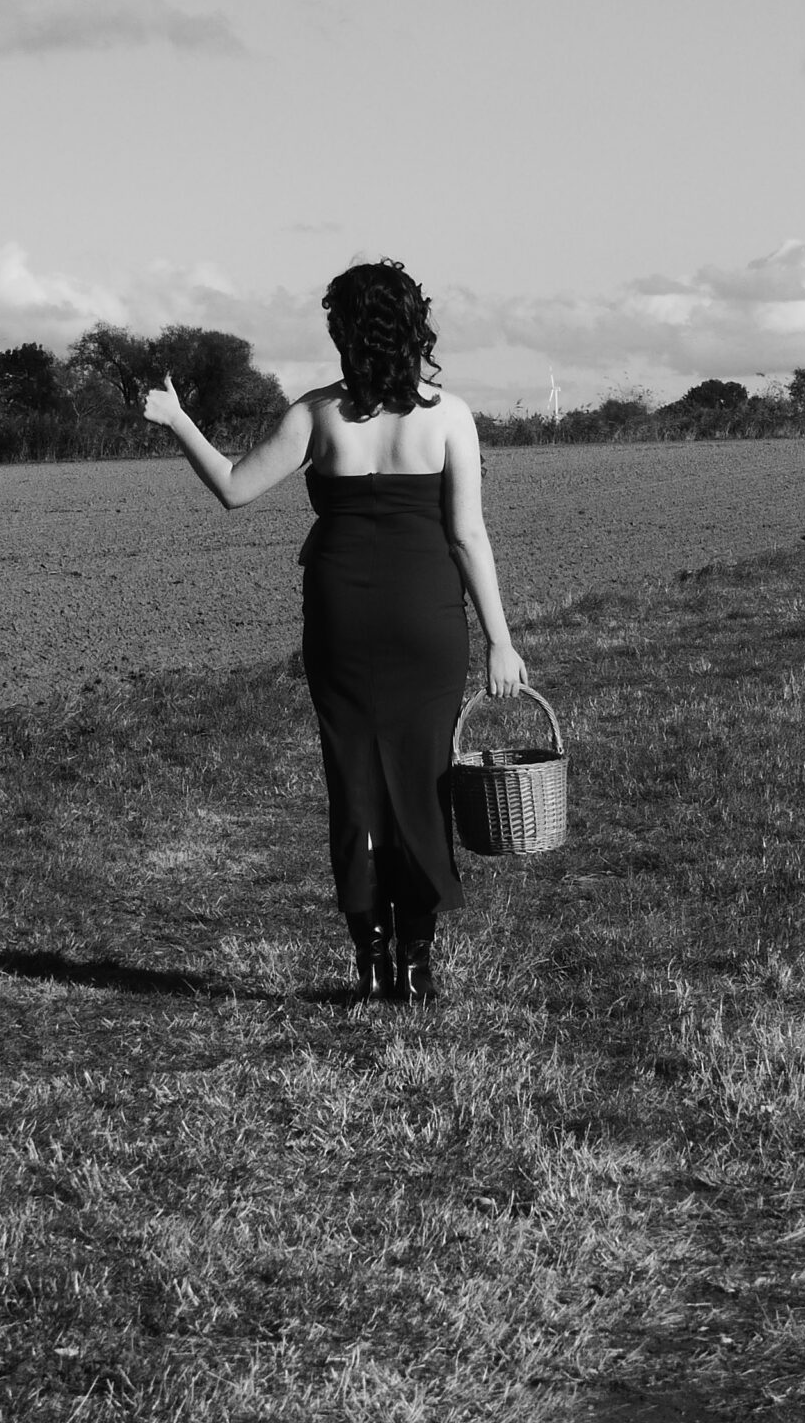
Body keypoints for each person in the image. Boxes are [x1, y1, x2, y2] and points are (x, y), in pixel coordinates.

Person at [143, 261, 527, 1004]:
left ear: (343, 333)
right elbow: (468, 534)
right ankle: (416, 964)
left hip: (342, 617)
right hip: (427, 618)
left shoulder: (314, 414)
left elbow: (232, 488)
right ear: (414, 325)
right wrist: (500, 641)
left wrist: (177, 419)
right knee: (425, 785)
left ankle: (371, 959)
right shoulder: (450, 415)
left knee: (354, 783)